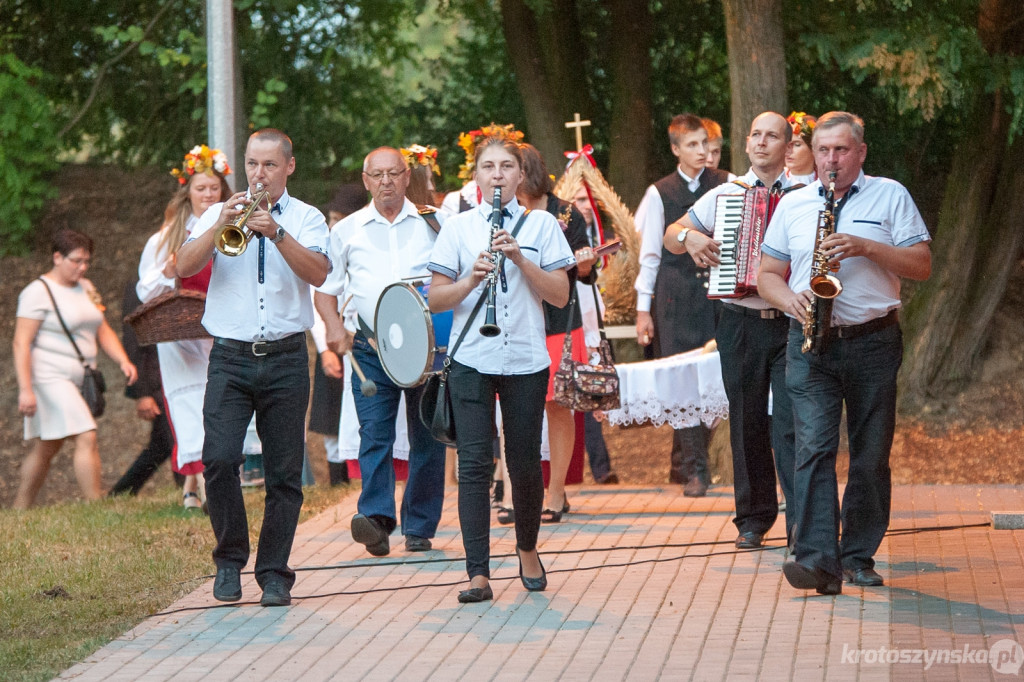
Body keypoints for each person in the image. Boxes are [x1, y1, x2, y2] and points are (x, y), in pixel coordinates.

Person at [758, 111, 932, 594]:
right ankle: (816, 560)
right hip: (810, 341)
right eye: (822, 150)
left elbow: (921, 265)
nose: (829, 160)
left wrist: (865, 247)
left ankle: (858, 555)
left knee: (870, 453)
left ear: (860, 152)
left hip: (873, 341)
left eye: (839, 150)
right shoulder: (794, 204)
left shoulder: (890, 195)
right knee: (812, 448)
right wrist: (788, 299)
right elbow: (767, 274)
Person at [175, 128, 330, 607]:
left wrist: (276, 232)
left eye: (267, 165)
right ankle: (229, 561)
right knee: (219, 459)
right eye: (251, 164)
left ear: (289, 166)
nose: (257, 174)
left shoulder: (307, 217)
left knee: (284, 473)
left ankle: (274, 573)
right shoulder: (216, 215)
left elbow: (320, 273)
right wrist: (218, 221)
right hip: (230, 356)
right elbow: (181, 267)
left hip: (285, 356)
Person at [427, 135, 575, 603]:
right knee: (473, 463)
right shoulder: (457, 228)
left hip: (527, 359)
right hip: (473, 357)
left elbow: (560, 295)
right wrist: (471, 278)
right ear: (476, 174)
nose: (496, 174)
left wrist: (519, 259)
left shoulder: (543, 224)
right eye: (488, 166)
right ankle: (478, 572)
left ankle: (527, 548)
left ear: (520, 175)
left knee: (526, 462)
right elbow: (434, 298)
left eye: (506, 166)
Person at [662, 112, 799, 550]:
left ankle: (802, 518)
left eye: (771, 136)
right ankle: (753, 519)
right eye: (755, 135)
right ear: (746, 144)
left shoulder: (805, 194)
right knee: (746, 420)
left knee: (793, 422)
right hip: (739, 320)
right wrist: (691, 240)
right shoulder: (725, 194)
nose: (761, 143)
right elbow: (671, 234)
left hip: (793, 319)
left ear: (788, 145)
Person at [314, 147, 447, 557]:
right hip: (371, 346)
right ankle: (375, 520)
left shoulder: (436, 224)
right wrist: (335, 328)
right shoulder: (347, 231)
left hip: (426, 345)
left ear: (407, 177)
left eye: (394, 173)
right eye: (378, 174)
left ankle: (420, 526)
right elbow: (325, 292)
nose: (386, 181)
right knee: (374, 433)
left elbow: (456, 277)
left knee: (427, 434)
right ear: (366, 180)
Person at [633, 113, 730, 495]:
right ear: (676, 149)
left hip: (717, 295)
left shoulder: (726, 184)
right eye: (692, 144)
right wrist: (644, 309)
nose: (702, 151)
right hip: (675, 296)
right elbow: (650, 254)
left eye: (705, 143)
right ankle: (694, 470)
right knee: (683, 379)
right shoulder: (660, 192)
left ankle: (702, 459)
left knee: (716, 378)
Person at [13, 229, 138, 508]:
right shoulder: (37, 293)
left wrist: (122, 360)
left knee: (48, 444)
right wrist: (25, 390)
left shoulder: (87, 287)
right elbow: (21, 343)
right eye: (76, 261)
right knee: (86, 432)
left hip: (80, 375)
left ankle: (20, 508)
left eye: (86, 261)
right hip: (48, 376)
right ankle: (96, 505)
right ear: (57, 257)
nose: (82, 267)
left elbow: (101, 328)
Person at [137, 144, 232, 510]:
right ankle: (205, 485)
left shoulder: (233, 228)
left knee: (217, 404)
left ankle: (195, 482)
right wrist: (169, 268)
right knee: (190, 405)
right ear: (187, 193)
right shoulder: (166, 238)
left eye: (213, 188)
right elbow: (145, 290)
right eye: (200, 188)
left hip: (220, 329)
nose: (208, 195)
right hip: (178, 335)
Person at [517, 143, 598, 521]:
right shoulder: (501, 214)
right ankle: (513, 491)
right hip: (514, 320)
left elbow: (585, 269)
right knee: (516, 409)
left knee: (557, 405)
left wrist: (584, 265)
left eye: (511, 168)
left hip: (557, 320)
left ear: (527, 171)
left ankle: (556, 492)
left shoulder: (565, 212)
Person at [309, 182, 366, 487]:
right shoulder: (325, 245)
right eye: (331, 218)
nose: (332, 225)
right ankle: (336, 482)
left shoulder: (365, 241)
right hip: (331, 342)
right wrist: (325, 349)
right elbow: (316, 297)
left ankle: (357, 477)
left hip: (359, 338)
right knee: (331, 415)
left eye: (339, 219)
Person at [108, 279, 178, 497]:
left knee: (161, 445)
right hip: (153, 376)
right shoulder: (141, 282)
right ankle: (189, 492)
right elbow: (132, 338)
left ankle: (120, 493)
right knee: (173, 437)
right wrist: (142, 391)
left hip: (173, 372)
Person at [571, 184, 618, 485]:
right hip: (572, 322)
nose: (586, 206)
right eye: (578, 200)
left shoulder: (602, 235)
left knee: (593, 394)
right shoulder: (562, 233)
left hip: (594, 324)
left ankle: (601, 468)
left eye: (589, 200)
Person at [786, 111, 817, 185]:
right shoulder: (774, 180)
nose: (788, 150)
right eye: (787, 144)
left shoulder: (827, 182)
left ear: (814, 149)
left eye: (797, 144)